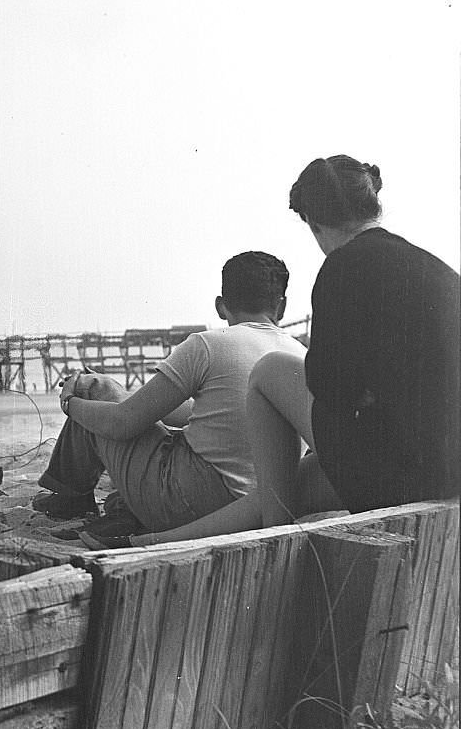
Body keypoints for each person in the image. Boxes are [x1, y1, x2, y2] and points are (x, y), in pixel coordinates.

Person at [119, 155, 460, 549]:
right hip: (443, 467)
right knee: (285, 482)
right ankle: (155, 542)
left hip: (401, 468)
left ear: (314, 223)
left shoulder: (342, 267)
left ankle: (274, 537)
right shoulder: (435, 269)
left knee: (270, 371)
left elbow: (330, 387)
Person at [33, 252, 306, 544]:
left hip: (186, 504)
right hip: (255, 504)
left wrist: (71, 404)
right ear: (283, 306)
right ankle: (117, 507)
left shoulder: (207, 345)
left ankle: (70, 497)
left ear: (220, 306)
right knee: (113, 396)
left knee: (92, 394)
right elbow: (215, 417)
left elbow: (122, 424)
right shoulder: (299, 356)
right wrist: (125, 396)